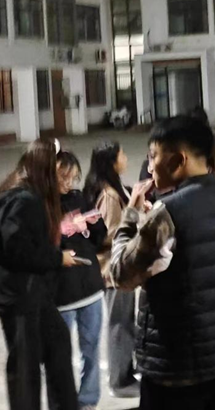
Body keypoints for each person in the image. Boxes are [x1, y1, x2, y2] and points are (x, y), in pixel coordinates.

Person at [108, 116, 215, 409]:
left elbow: (121, 274)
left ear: (178, 160)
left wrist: (130, 217)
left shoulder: (168, 213)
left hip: (179, 374)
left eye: (154, 156)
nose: (149, 166)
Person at [0, 139, 80, 410]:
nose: (66, 180)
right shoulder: (24, 200)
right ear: (45, 168)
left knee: (58, 342)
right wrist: (57, 258)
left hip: (33, 294)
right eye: (60, 171)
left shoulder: (34, 197)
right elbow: (17, 250)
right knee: (25, 369)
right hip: (18, 298)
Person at [83, 140, 137, 398]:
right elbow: (112, 234)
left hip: (115, 268)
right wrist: (135, 220)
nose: (125, 158)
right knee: (120, 323)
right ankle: (119, 381)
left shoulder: (110, 189)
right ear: (112, 162)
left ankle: (125, 372)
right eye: (122, 155)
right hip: (114, 270)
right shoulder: (109, 195)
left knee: (124, 321)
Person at [55, 150, 107, 410]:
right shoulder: (40, 204)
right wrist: (63, 232)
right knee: (58, 356)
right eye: (63, 177)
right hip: (61, 295)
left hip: (90, 288)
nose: (68, 183)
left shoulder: (79, 198)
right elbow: (36, 249)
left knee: (91, 349)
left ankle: (87, 400)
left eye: (72, 177)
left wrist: (90, 225)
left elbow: (100, 237)